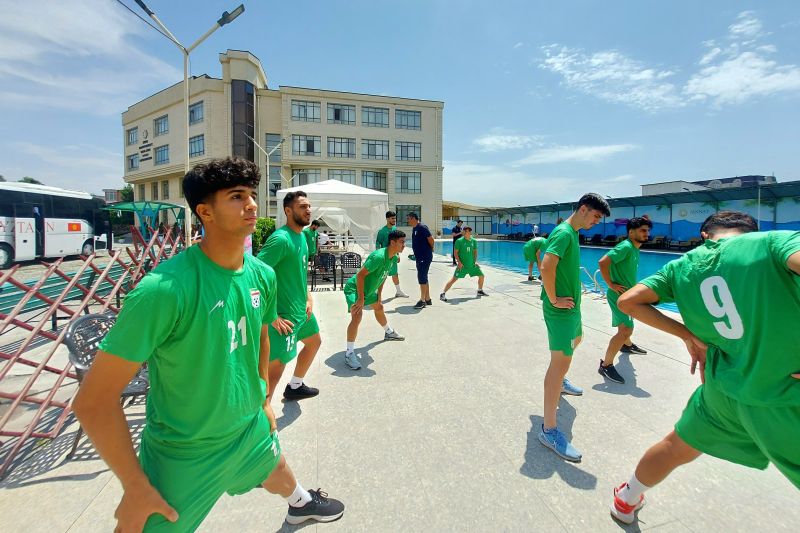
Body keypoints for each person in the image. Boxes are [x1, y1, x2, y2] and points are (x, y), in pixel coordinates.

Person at [71, 157, 344, 531]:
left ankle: (300, 503)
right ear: (205, 212)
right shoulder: (162, 290)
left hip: (248, 429)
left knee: (278, 469)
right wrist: (135, 485)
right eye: (236, 196)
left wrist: (264, 398)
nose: (251, 204)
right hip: (185, 454)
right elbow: (93, 401)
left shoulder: (261, 275)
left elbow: (261, 336)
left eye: (250, 194)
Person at [609, 212, 800, 524]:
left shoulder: (681, 267)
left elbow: (629, 301)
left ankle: (626, 499)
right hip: (786, 397)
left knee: (674, 447)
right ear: (750, 230)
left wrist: (688, 334)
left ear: (704, 234)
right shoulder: (773, 243)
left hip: (722, 392)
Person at [538, 193, 610, 462]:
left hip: (571, 308)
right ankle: (549, 429)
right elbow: (546, 266)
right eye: (595, 216)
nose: (596, 222)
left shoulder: (572, 232)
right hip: (561, 310)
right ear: (583, 209)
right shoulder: (565, 233)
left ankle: (561, 380)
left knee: (577, 339)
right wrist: (554, 298)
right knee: (559, 361)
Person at [257, 191, 321, 403]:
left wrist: (308, 297)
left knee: (314, 342)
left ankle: (295, 386)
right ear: (288, 210)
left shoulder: (302, 236)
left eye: (309, 206)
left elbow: (299, 273)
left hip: (301, 310)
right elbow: (256, 276)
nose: (308, 210)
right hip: (283, 317)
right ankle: (262, 417)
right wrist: (271, 316)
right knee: (275, 369)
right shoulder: (281, 239)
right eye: (303, 206)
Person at [597, 217, 653, 384]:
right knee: (625, 330)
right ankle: (605, 365)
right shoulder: (626, 247)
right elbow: (603, 262)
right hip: (619, 296)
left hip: (627, 295)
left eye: (648, 230)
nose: (647, 234)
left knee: (627, 326)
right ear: (631, 232)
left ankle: (627, 345)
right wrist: (611, 284)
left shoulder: (634, 248)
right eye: (643, 230)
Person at [344, 230, 407, 369]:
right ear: (393, 242)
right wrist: (360, 299)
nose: (404, 245)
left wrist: (379, 294)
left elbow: (383, 276)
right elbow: (360, 276)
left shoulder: (393, 257)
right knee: (357, 315)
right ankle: (349, 353)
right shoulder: (378, 257)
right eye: (402, 242)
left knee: (379, 307)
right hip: (355, 288)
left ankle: (389, 332)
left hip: (370, 289)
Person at [439, 227, 488, 301]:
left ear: (469, 232)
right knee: (454, 279)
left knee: (481, 276)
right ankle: (443, 293)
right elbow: (455, 253)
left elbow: (475, 252)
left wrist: (475, 262)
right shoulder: (459, 241)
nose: (464, 232)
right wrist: (459, 262)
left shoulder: (474, 241)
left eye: (466, 231)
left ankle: (480, 291)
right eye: (464, 231)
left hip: (472, 265)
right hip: (462, 266)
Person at [375, 211, 408, 299]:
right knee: (383, 276)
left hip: (393, 256)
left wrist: (398, 255)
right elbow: (378, 243)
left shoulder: (395, 229)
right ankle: (377, 294)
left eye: (395, 218)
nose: (394, 220)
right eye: (392, 218)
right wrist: (379, 256)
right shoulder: (382, 231)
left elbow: (397, 244)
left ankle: (398, 291)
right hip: (385, 257)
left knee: (395, 274)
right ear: (387, 219)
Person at [407, 212, 434, 309]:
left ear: (414, 218)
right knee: (424, 277)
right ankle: (427, 299)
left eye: (409, 218)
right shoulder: (415, 228)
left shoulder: (422, 227)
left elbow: (431, 239)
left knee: (422, 278)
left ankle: (422, 301)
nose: (408, 220)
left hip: (424, 257)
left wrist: (431, 249)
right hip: (420, 257)